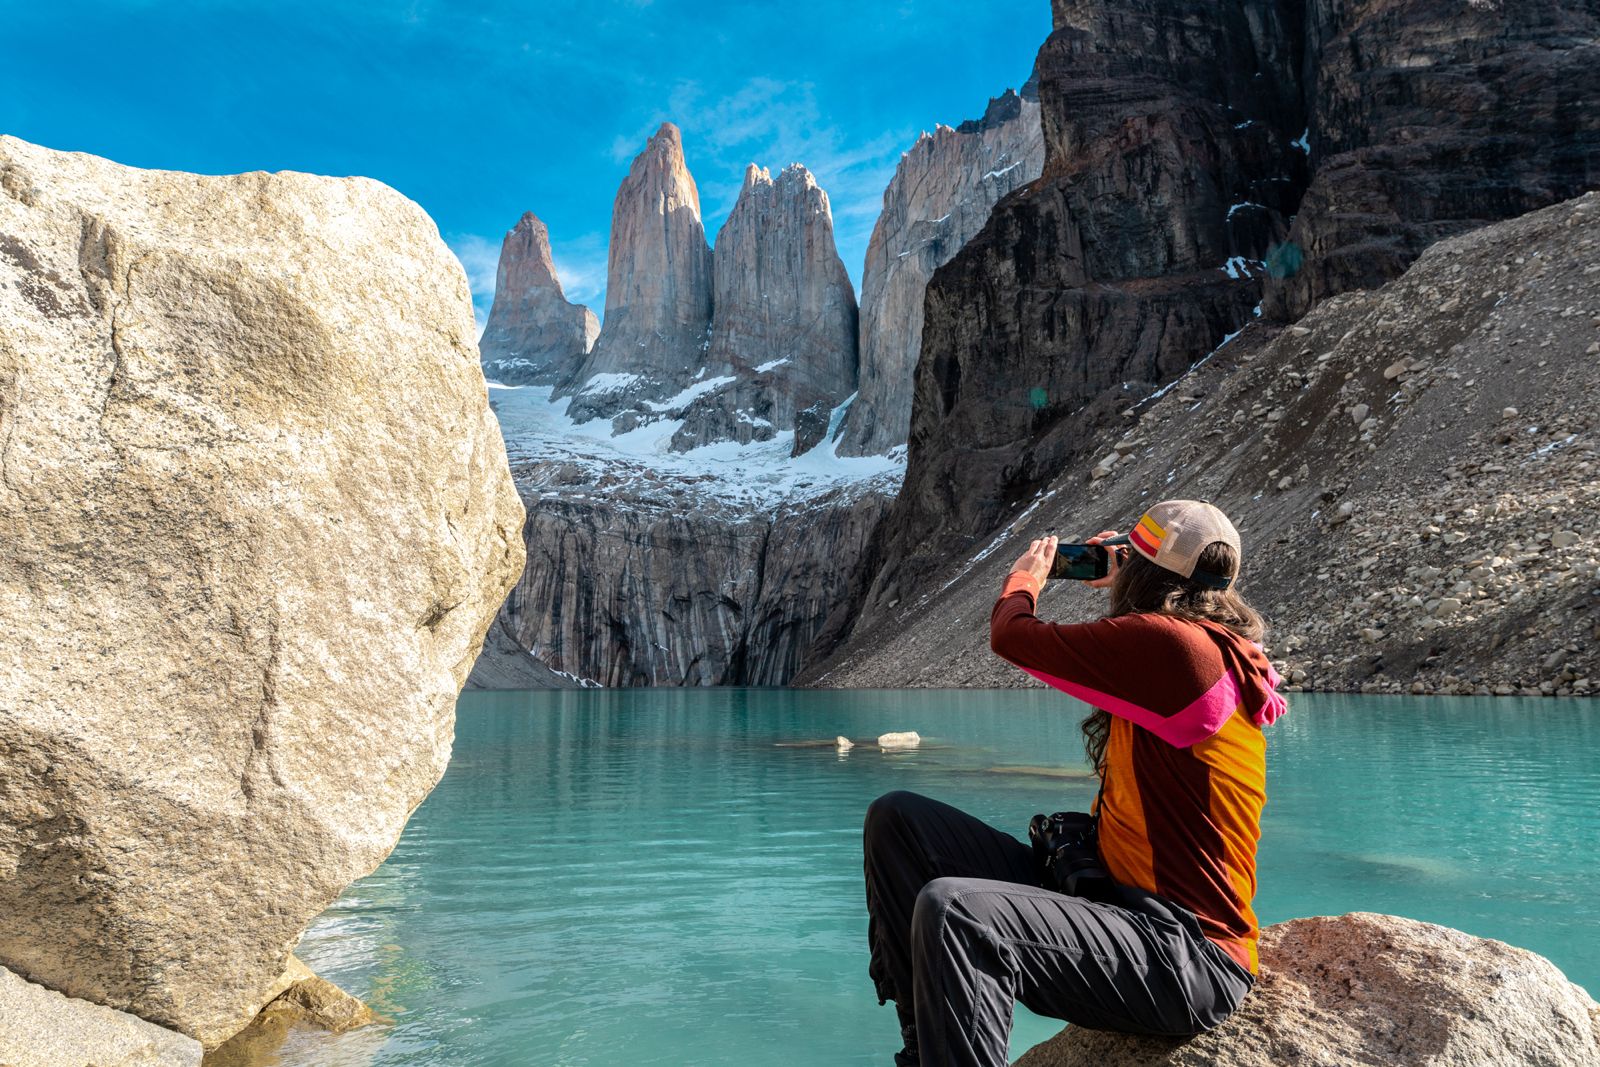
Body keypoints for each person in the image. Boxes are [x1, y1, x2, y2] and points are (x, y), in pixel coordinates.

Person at [862, 499, 1287, 1067]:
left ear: (1146, 574)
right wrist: (1134, 578)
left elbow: (1013, 636)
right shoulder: (1197, 649)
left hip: (1187, 956)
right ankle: (927, 1051)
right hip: (1122, 905)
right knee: (899, 821)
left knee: (956, 910)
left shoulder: (1177, 648)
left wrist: (1025, 580)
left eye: (1130, 558)